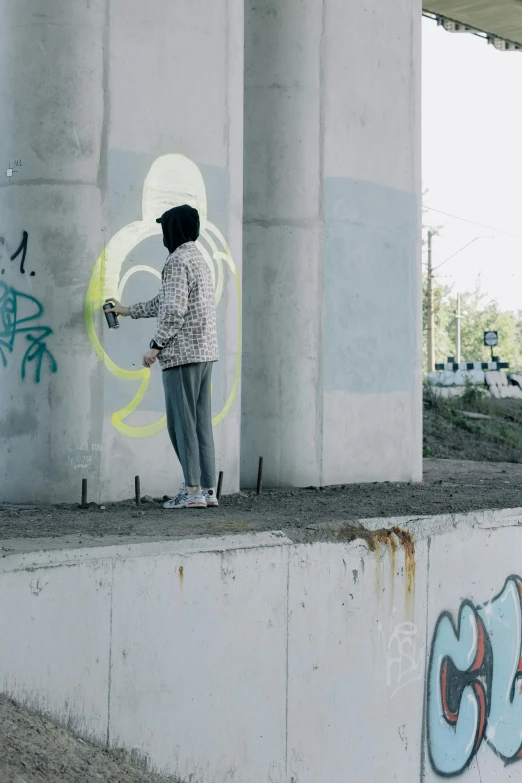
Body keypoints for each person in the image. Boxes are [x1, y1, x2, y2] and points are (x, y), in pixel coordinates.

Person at [108, 204, 219, 509]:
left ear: (172, 230)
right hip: (205, 352)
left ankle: (192, 490)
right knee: (199, 424)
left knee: (181, 425)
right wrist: (127, 310)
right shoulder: (198, 258)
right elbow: (165, 301)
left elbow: (172, 311)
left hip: (181, 355)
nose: (162, 235)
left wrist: (155, 348)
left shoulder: (175, 261)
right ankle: (208, 490)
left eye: (164, 228)